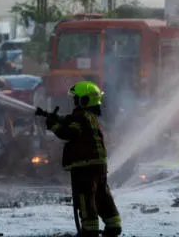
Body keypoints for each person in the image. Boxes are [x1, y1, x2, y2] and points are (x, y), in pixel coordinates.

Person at [44, 81, 122, 237]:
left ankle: (89, 229)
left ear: (84, 100)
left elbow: (68, 133)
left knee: (85, 197)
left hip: (84, 166)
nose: (73, 102)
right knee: (102, 195)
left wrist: (53, 125)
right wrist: (59, 119)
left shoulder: (79, 117)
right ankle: (114, 225)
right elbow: (72, 123)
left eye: (75, 99)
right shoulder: (90, 117)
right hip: (99, 165)